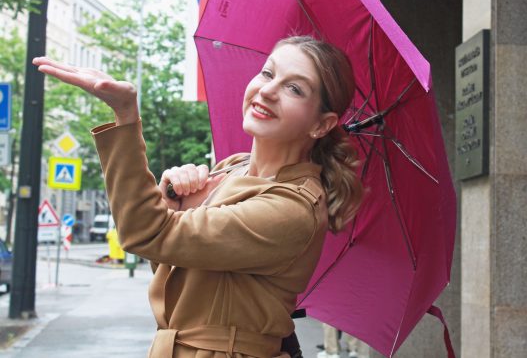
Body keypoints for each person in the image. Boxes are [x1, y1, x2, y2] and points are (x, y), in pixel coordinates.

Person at [34, 35, 364, 358]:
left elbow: (146, 233)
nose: (267, 90)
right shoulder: (233, 168)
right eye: (268, 73)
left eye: (294, 88)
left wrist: (126, 116)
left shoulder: (292, 208)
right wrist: (170, 201)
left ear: (322, 125)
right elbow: (174, 269)